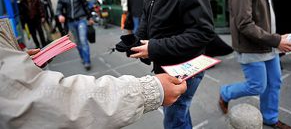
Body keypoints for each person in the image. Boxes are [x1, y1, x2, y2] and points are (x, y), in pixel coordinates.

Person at [0, 18, 187, 129]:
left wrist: (18, 61)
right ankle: (86, 58)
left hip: (177, 63)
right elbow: (57, 101)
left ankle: (87, 59)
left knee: (178, 113)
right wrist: (152, 90)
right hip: (162, 72)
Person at [128, 0, 215, 128]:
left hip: (186, 67)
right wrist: (136, 41)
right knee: (180, 112)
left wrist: (154, 48)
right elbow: (147, 17)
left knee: (174, 119)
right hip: (166, 65)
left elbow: (203, 33)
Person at [219, 0, 291, 129]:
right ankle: (225, 92)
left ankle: (270, 119)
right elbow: (244, 25)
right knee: (257, 86)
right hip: (251, 48)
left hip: (268, 45)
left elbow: (267, 14)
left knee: (274, 83)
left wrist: (277, 38)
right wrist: (277, 40)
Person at [56, 0, 93, 70]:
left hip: (81, 20)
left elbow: (85, 5)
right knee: (78, 42)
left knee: (83, 40)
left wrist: (90, 18)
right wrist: (60, 15)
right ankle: (82, 57)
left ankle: (87, 61)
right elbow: (58, 8)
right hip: (70, 22)